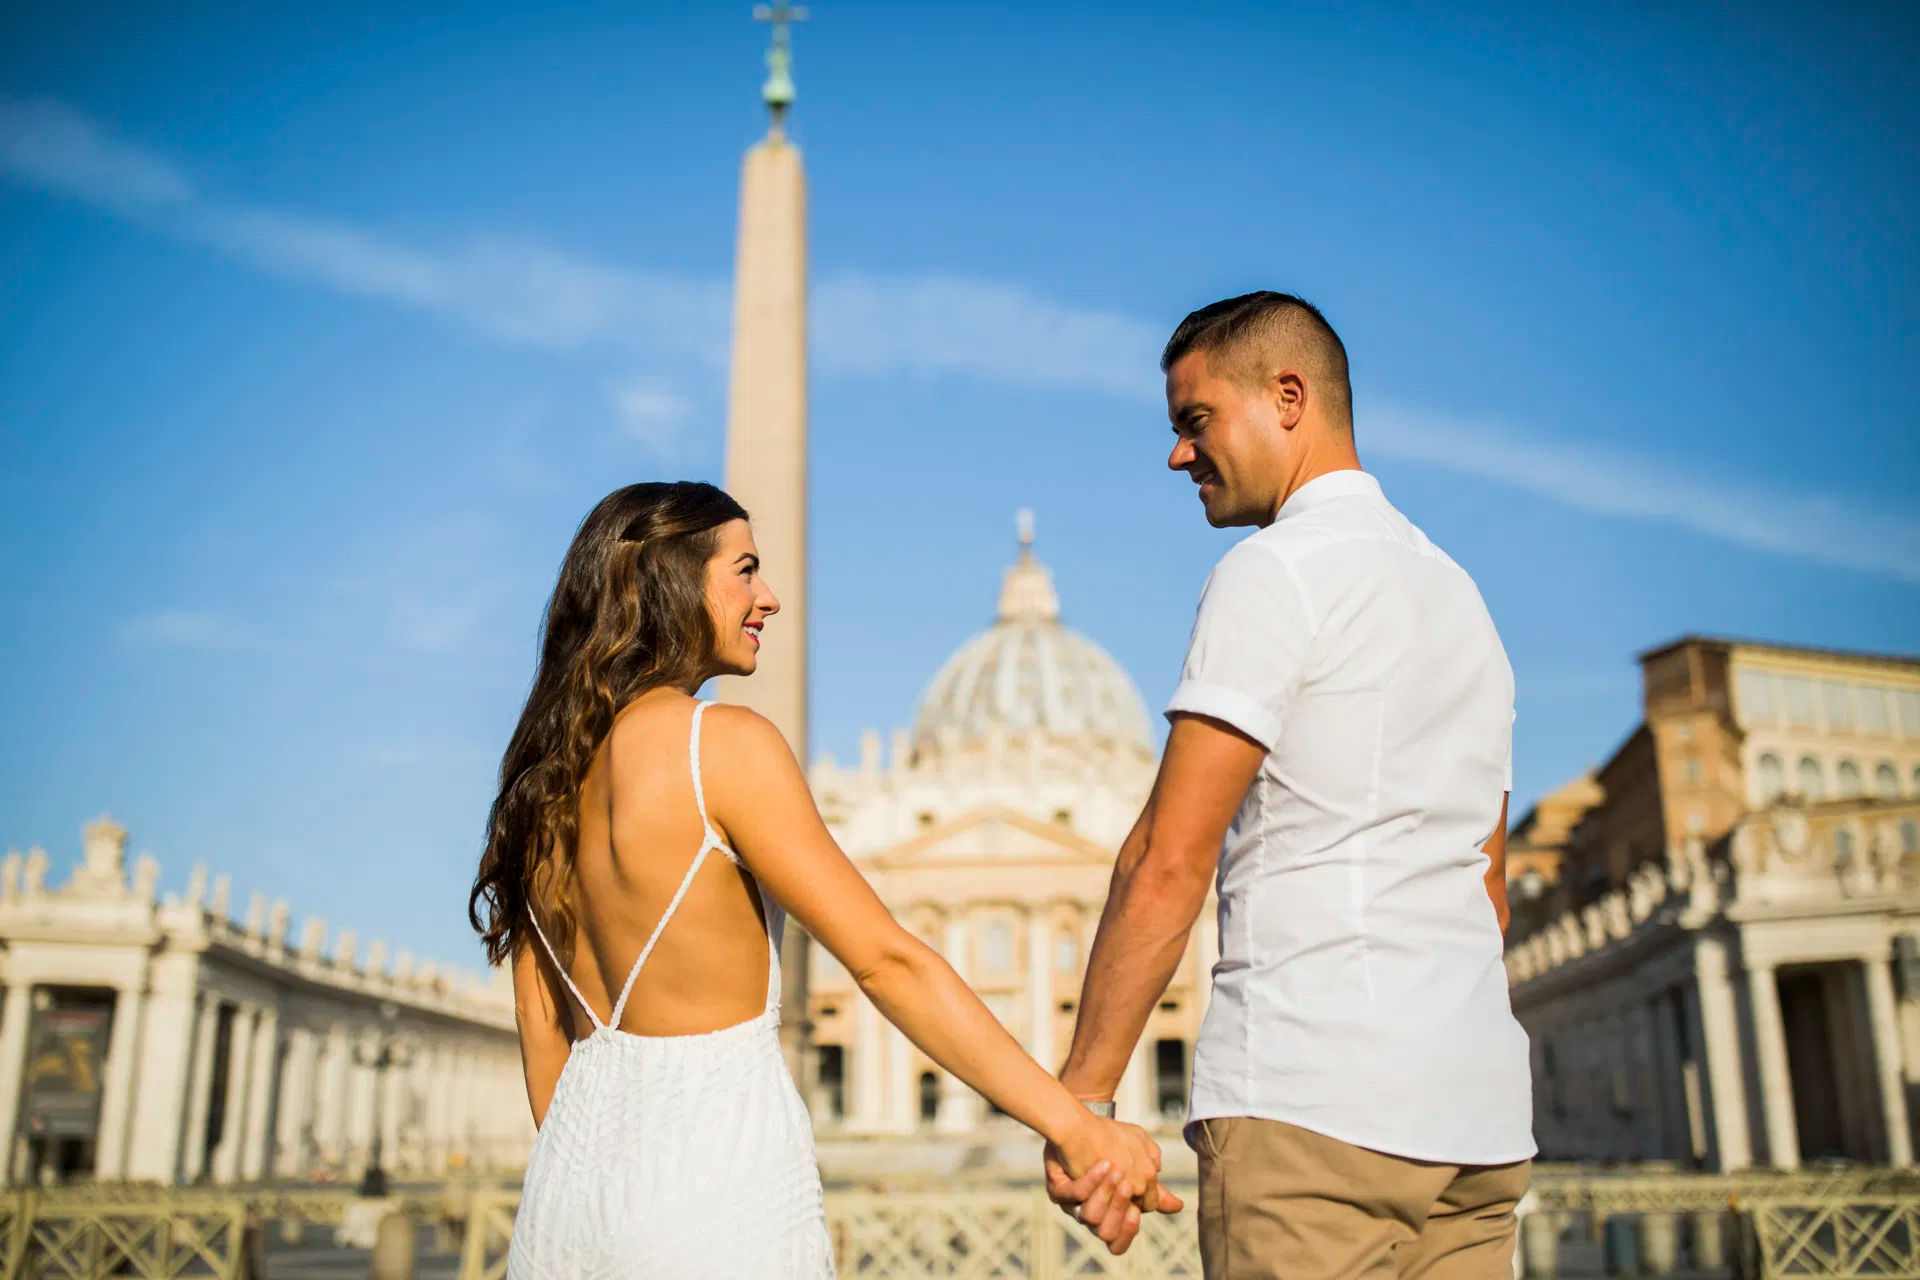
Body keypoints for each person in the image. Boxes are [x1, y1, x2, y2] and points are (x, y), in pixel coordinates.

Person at [470, 481, 1168, 1280]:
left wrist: (595, 1192)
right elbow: (888, 963)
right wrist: (1077, 1127)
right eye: (745, 570)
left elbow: (543, 1035)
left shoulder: (542, 789)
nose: (769, 597)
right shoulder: (722, 745)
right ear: (673, 583)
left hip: (563, 1208)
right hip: (714, 1200)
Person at [1044, 293, 1535, 1277]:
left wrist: (1082, 1101)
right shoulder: (1461, 597)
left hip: (1314, 1103)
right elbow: (1488, 883)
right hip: (1479, 1124)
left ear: (1288, 397)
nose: (1178, 455)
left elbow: (1167, 858)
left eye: (1195, 420)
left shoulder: (1274, 571)